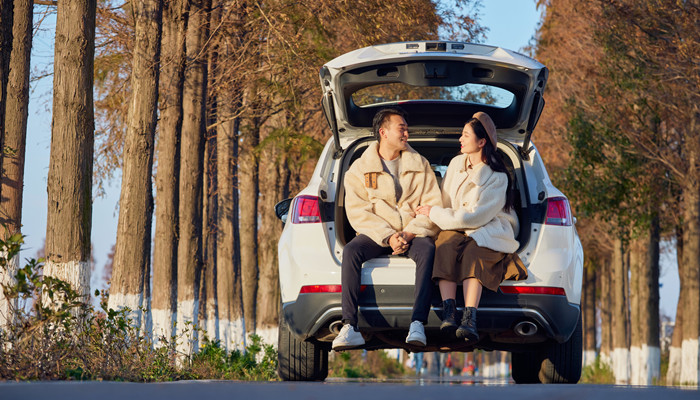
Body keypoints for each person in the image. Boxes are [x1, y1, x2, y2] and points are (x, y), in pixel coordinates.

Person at [331, 107, 442, 351]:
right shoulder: (359, 169)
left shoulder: (420, 164)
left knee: (427, 249)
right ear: (383, 132)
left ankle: (417, 324)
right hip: (377, 234)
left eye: (406, 128)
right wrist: (389, 236)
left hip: (413, 233)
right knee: (351, 251)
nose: (407, 133)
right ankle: (349, 326)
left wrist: (409, 233)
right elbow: (358, 212)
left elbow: (433, 205)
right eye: (401, 128)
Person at [415, 112, 526, 342]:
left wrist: (436, 214)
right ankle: (449, 312)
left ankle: (469, 318)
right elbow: (445, 200)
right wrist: (435, 215)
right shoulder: (456, 164)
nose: (460, 139)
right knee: (444, 245)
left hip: (489, 226)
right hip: (456, 223)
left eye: (465, 135)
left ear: (481, 142)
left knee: (474, 252)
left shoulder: (498, 177)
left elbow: (477, 216)